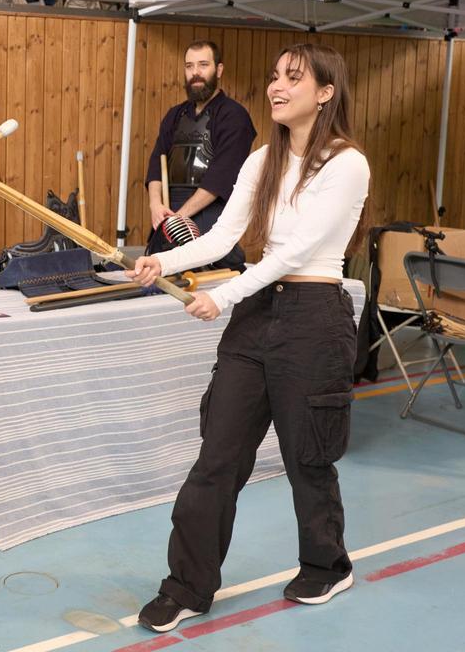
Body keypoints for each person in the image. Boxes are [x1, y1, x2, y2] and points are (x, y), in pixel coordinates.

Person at [127, 43, 370, 632]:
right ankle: (187, 586)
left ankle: (327, 564)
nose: (276, 87)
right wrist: (163, 261)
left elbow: (297, 252)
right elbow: (223, 237)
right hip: (258, 314)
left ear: (326, 93)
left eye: (293, 78)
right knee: (218, 457)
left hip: (314, 317)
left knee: (307, 457)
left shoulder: (346, 164)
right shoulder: (263, 159)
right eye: (274, 76)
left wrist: (224, 295)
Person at [146, 40, 255, 270]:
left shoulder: (234, 116)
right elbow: (157, 162)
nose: (195, 72)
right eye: (189, 66)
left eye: (203, 65)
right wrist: (156, 205)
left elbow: (221, 177)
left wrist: (179, 218)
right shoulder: (174, 115)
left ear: (219, 69)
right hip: (169, 214)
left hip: (209, 215)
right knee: (156, 275)